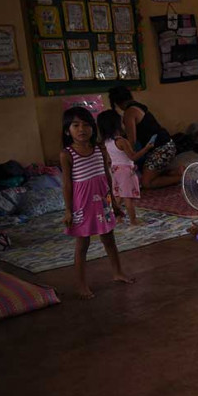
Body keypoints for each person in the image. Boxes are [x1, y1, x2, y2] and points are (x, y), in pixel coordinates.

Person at [60, 106, 133, 299]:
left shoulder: (100, 149)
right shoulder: (67, 154)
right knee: (82, 245)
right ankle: (81, 285)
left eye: (86, 125)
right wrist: (68, 210)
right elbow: (67, 185)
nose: (81, 129)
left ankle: (118, 272)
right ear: (67, 130)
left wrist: (114, 203)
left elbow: (107, 177)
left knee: (109, 238)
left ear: (93, 128)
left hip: (103, 201)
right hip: (82, 205)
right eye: (76, 125)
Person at [108, 86, 181, 189]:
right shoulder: (138, 106)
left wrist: (120, 153)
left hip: (162, 149)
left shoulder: (129, 113)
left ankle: (181, 178)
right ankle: (177, 171)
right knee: (146, 170)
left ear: (117, 103)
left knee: (146, 183)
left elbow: (132, 142)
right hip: (167, 144)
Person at [97, 109, 154, 224]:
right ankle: (133, 220)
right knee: (128, 197)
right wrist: (146, 148)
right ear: (117, 124)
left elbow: (110, 160)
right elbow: (133, 157)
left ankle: (117, 218)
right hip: (126, 172)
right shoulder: (122, 141)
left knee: (118, 196)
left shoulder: (106, 142)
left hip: (115, 171)